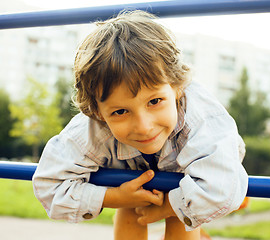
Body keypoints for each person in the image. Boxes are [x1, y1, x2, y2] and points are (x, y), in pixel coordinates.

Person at [33, 10, 248, 240]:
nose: (144, 127)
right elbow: (48, 185)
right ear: (97, 112)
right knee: (130, 190)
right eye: (120, 111)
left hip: (195, 168)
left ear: (177, 87)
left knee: (184, 202)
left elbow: (222, 187)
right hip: (131, 167)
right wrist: (116, 197)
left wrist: (169, 207)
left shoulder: (203, 120)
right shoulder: (91, 127)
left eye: (155, 101)